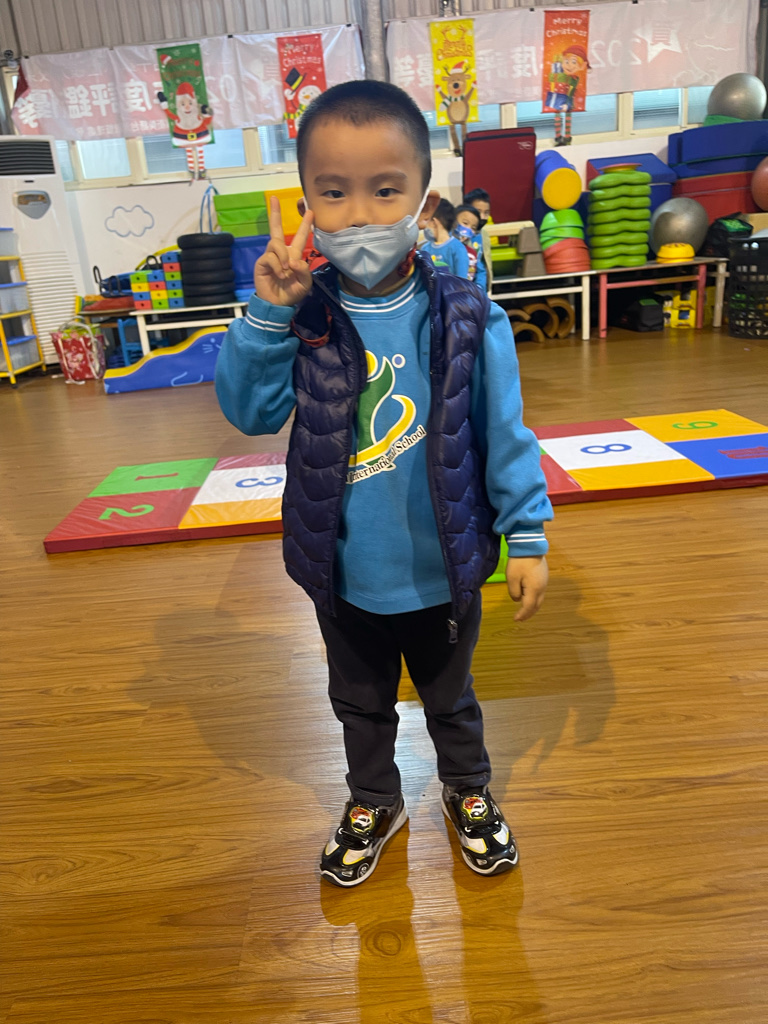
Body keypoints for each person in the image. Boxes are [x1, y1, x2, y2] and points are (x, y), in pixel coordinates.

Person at [215, 80, 552, 888]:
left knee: (451, 698)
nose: (359, 215)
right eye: (334, 194)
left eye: (384, 190)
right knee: (358, 702)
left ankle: (466, 789)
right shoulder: (300, 315)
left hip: (443, 565)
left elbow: (503, 432)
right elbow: (250, 413)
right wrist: (268, 315)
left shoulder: (467, 315)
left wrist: (528, 533)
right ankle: (374, 797)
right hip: (342, 571)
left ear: (422, 200)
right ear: (306, 204)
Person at [420, 198, 470, 278]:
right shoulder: (425, 249)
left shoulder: (457, 248)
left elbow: (462, 279)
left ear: (434, 222)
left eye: (426, 221)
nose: (425, 227)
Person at [453, 204, 487, 292]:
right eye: (465, 223)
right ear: (453, 222)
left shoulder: (472, 252)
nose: (468, 229)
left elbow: (480, 271)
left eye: (473, 228)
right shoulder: (444, 246)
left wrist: (479, 288)